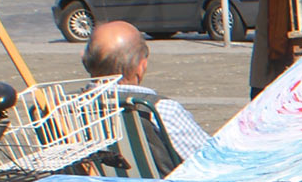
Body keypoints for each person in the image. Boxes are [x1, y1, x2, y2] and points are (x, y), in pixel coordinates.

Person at [82, 19, 212, 159]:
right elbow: (211, 159)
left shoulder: (66, 110)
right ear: (141, 67)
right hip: (157, 180)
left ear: (86, 62)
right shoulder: (161, 110)